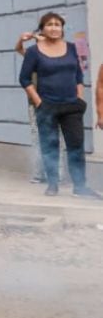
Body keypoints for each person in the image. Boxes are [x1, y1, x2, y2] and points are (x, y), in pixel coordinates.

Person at [19, 12, 100, 198]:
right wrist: (39, 102)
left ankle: (80, 187)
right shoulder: (33, 52)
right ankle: (53, 184)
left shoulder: (72, 48)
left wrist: (80, 98)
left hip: (72, 106)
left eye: (57, 24)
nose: (54, 27)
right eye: (49, 24)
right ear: (42, 29)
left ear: (62, 28)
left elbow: (78, 75)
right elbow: (24, 79)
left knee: (76, 147)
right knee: (50, 146)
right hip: (47, 107)